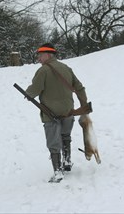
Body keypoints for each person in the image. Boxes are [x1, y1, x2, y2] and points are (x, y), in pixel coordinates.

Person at [26, 43, 89, 182]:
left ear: (48, 55)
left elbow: (34, 90)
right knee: (65, 136)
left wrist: (28, 93)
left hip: (50, 114)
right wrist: (83, 105)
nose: (38, 59)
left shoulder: (43, 71)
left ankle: (58, 172)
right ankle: (67, 161)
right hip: (68, 111)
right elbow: (79, 87)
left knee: (53, 143)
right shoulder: (66, 68)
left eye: (40, 56)